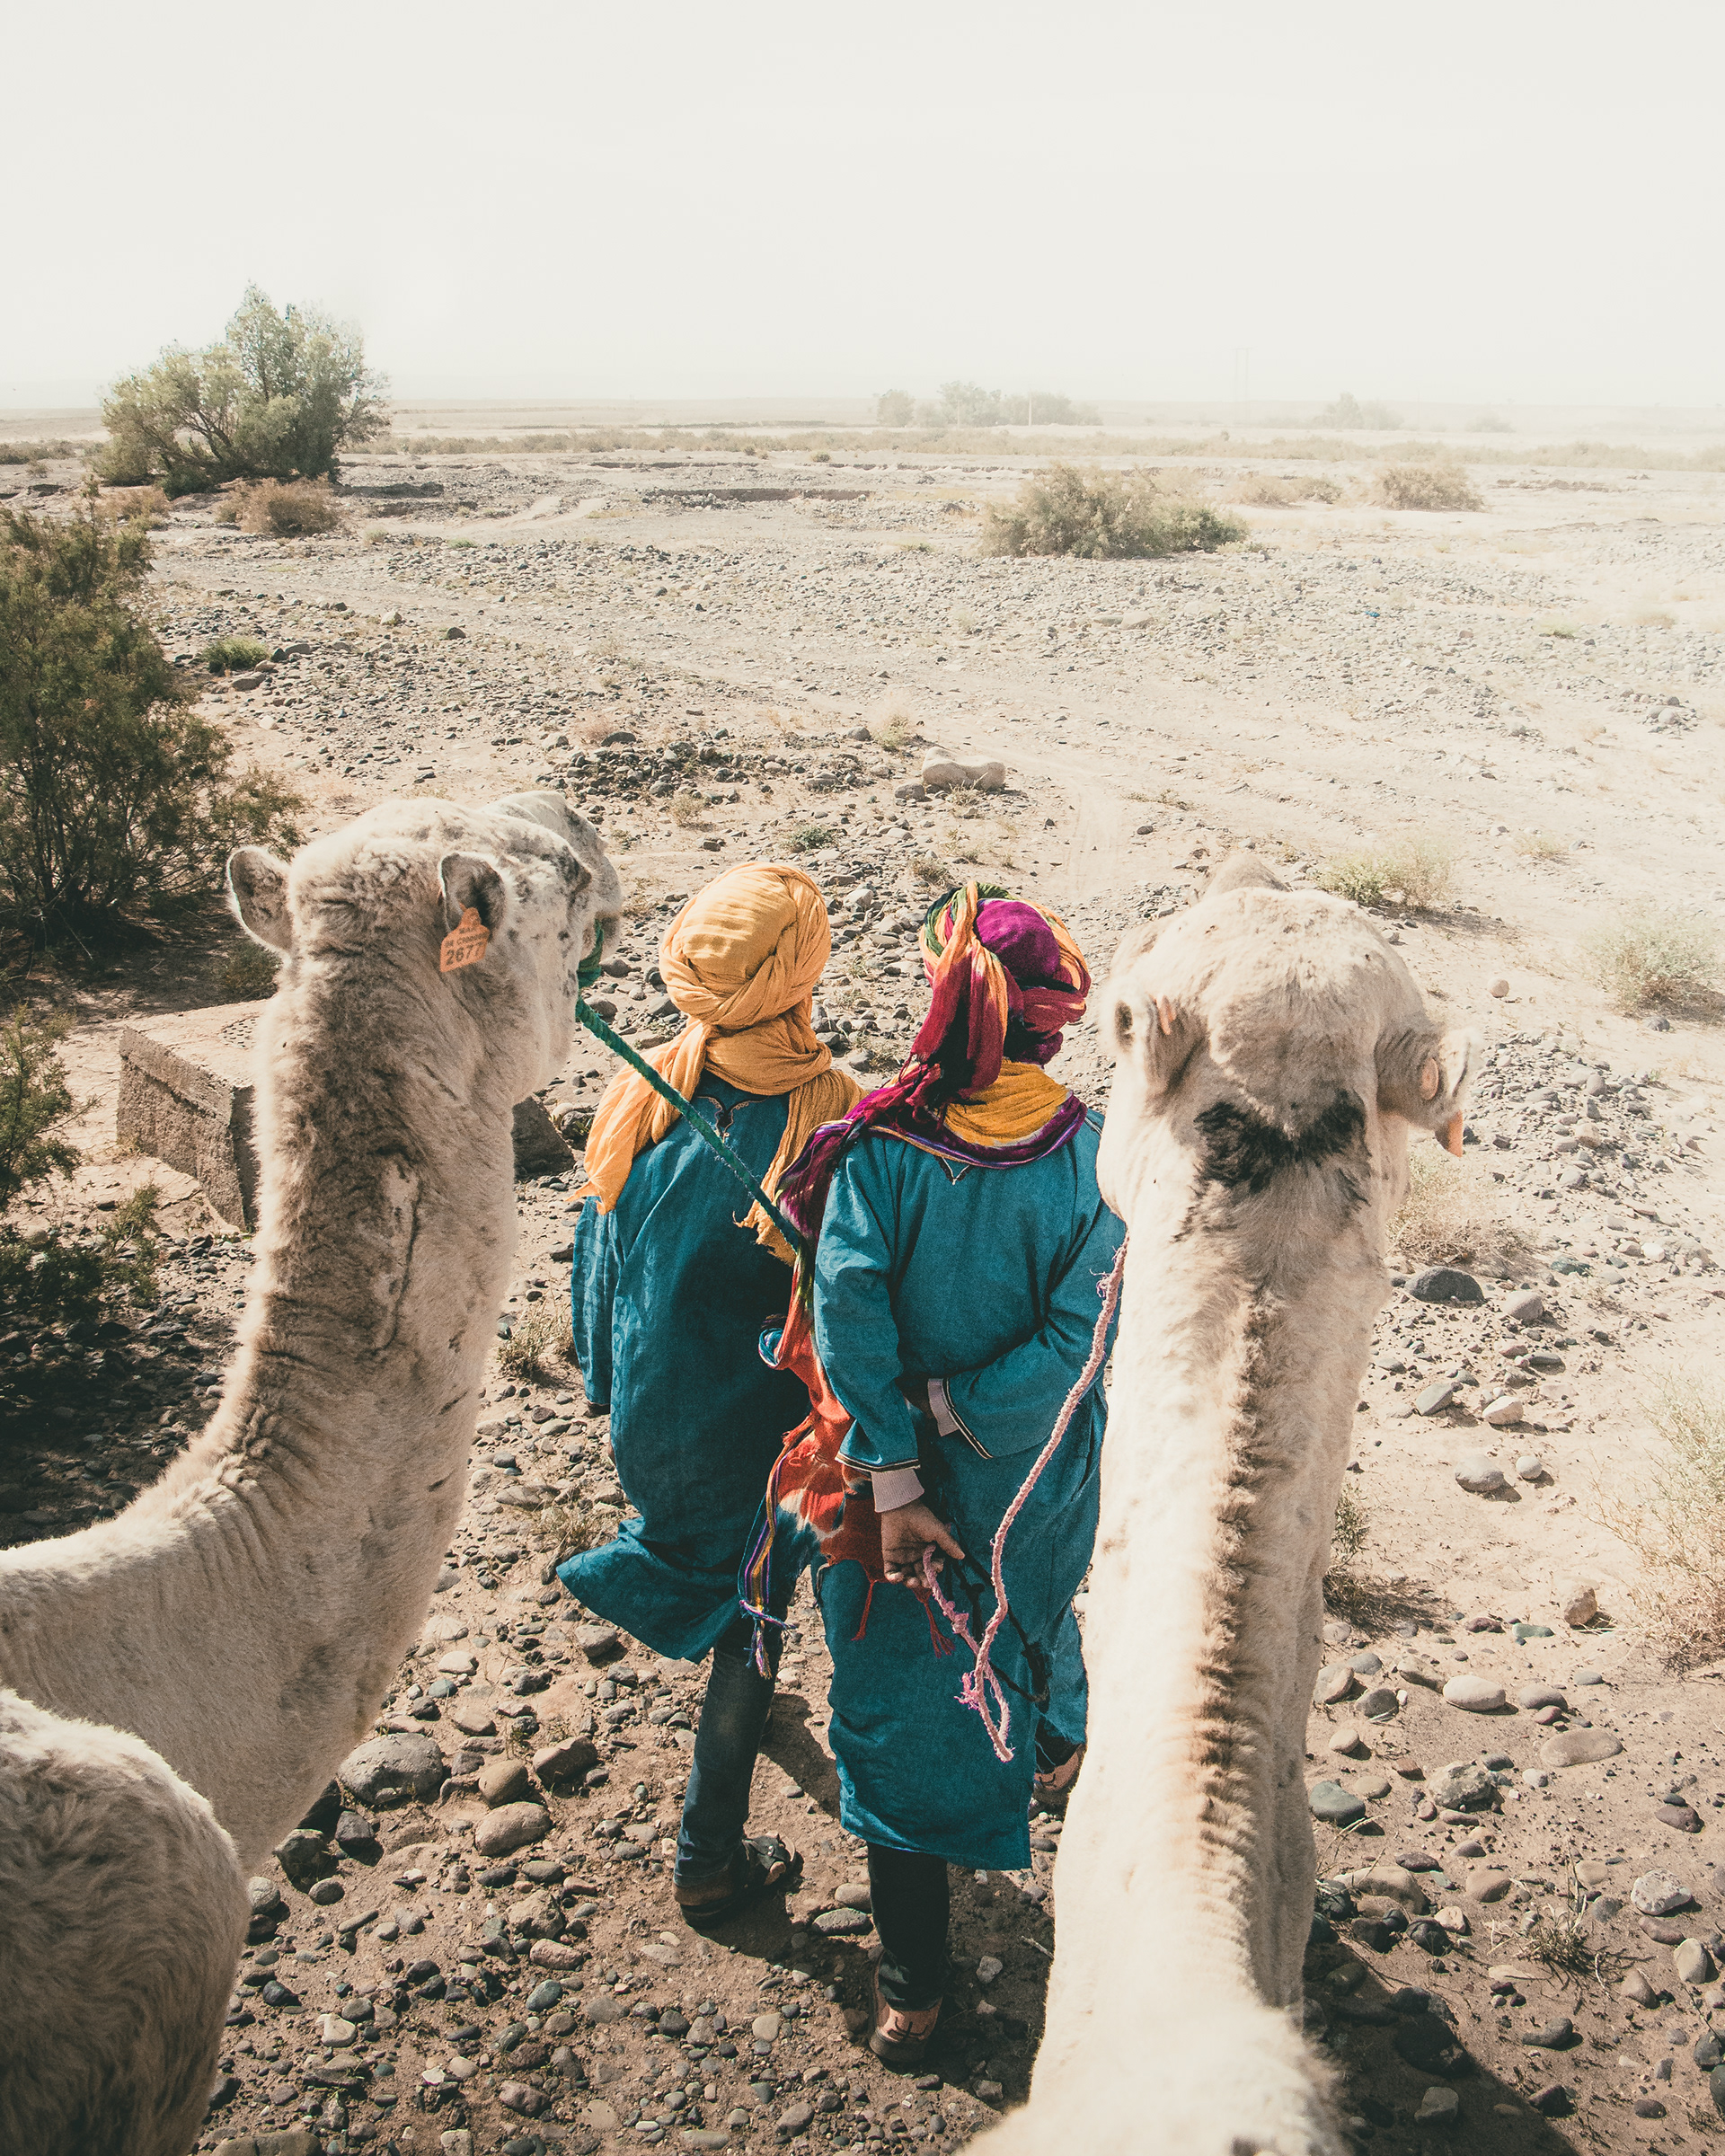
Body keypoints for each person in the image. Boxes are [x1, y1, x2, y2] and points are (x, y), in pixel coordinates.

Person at [751, 882, 1124, 2065]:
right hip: (1035, 1492)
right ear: (1051, 1021)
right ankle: (1059, 1771)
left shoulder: (876, 1145)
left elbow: (848, 1309)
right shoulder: (1096, 1160)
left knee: (905, 1714)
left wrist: (903, 1469)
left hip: (882, 1503)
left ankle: (912, 1993)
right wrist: (974, 1415)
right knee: (1030, 1635)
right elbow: (1087, 1332)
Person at [559, 862, 859, 1929]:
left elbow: (597, 1258)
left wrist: (605, 1384)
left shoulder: (644, 1090)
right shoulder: (824, 1132)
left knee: (737, 1603)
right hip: (755, 1447)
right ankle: (708, 1861)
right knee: (752, 1625)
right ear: (801, 975)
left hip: (652, 1413)